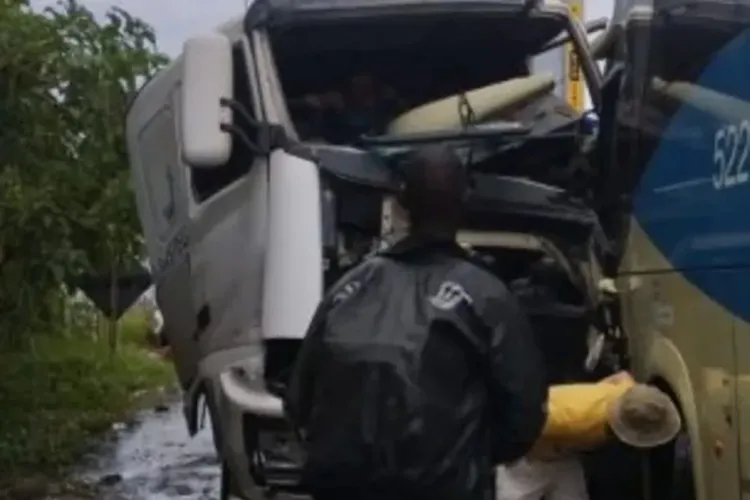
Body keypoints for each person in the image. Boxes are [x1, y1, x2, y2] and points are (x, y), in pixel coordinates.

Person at [284, 145, 548, 500]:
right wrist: (465, 460)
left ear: (401, 203)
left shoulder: (348, 287)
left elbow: (298, 400)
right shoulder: (486, 295)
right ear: (465, 200)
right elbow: (524, 416)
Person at [495, 371, 681, 500]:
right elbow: (522, 424)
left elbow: (623, 376)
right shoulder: (569, 418)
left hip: (566, 451)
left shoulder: (629, 395)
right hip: (529, 456)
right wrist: (541, 454)